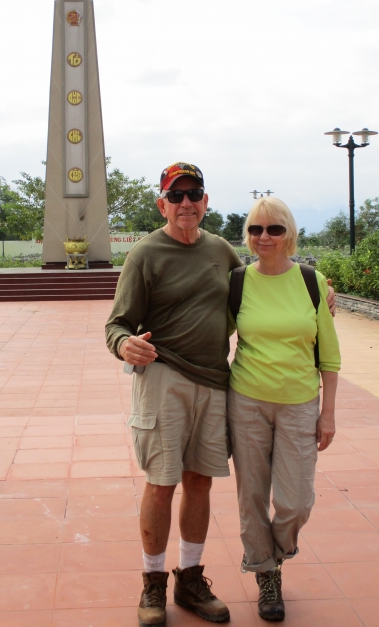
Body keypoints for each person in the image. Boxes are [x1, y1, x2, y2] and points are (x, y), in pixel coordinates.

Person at [106, 162, 239, 626]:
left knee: (200, 481)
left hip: (214, 380)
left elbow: (260, 288)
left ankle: (191, 580)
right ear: (162, 203)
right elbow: (116, 324)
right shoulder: (146, 253)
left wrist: (316, 288)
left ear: (206, 202)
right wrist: (125, 343)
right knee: (162, 484)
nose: (186, 203)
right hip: (163, 377)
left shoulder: (221, 250)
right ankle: (152, 584)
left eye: (194, 194)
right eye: (176, 195)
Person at [227, 196, 340, 622]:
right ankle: (265, 573)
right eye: (256, 229)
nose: (264, 237)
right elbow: (209, 328)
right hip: (247, 401)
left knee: (295, 502)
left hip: (299, 404)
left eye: (274, 229)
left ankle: (274, 551)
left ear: (289, 233)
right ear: (248, 236)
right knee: (251, 495)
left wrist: (327, 413)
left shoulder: (312, 282)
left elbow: (328, 355)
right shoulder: (237, 281)